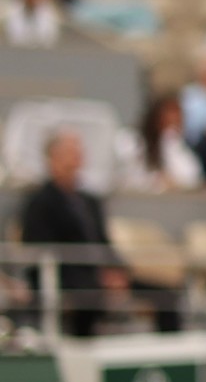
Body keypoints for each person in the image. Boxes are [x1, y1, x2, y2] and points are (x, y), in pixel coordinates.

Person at [19, 130, 179, 335]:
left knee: (166, 297)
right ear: (53, 158)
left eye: (78, 150)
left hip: (100, 276)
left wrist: (118, 272)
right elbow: (39, 249)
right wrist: (94, 277)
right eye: (70, 151)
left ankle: (166, 356)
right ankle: (85, 355)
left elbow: (104, 242)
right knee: (91, 297)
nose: (77, 156)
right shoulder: (40, 202)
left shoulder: (90, 201)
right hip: (69, 279)